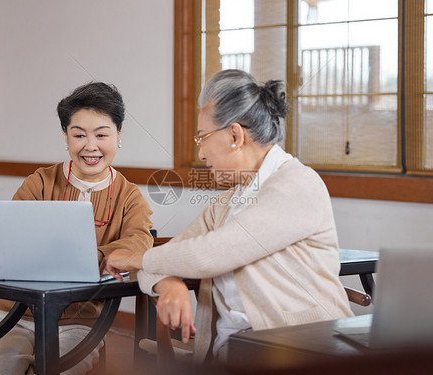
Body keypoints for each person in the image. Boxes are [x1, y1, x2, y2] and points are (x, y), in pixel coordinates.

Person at [102, 69, 354, 364]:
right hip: (236, 352)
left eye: (202, 137)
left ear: (235, 135)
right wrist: (169, 283)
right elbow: (171, 257)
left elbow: (212, 254)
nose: (202, 153)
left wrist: (135, 258)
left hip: (304, 350)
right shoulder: (226, 203)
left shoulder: (298, 184)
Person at [0, 82, 154, 375]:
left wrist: (93, 253)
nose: (91, 146)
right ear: (67, 137)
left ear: (118, 135)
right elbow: (12, 233)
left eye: (101, 134)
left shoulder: (129, 195)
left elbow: (139, 241)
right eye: (79, 134)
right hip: (10, 309)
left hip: (79, 317)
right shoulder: (40, 181)